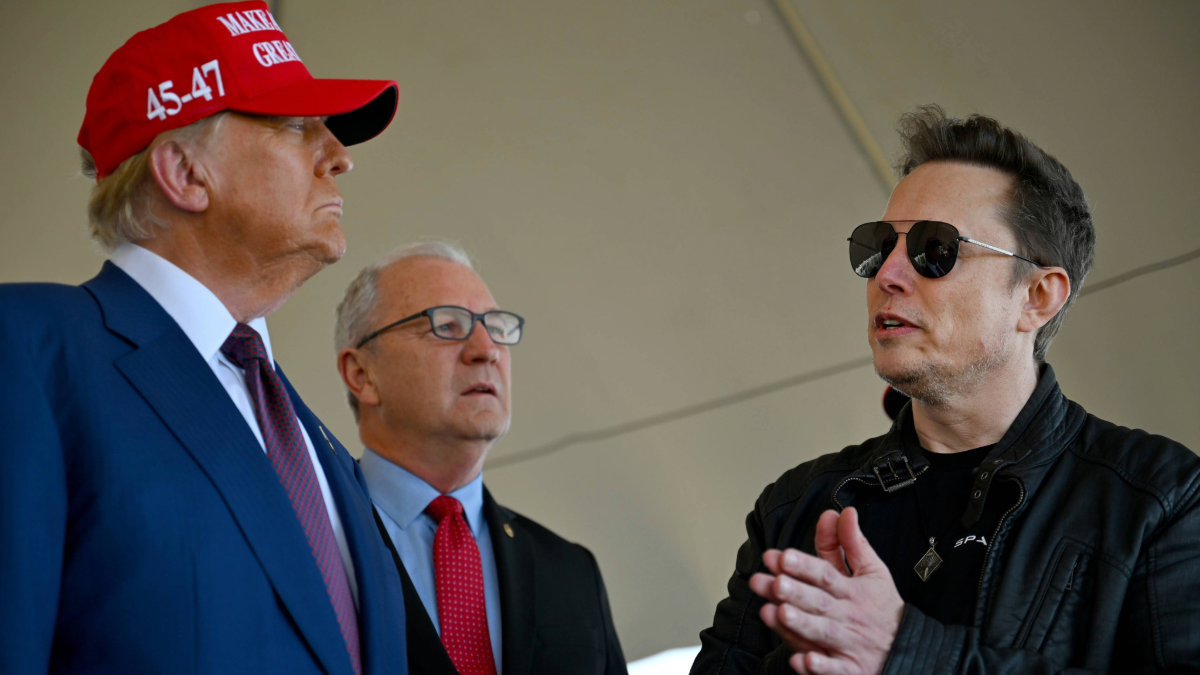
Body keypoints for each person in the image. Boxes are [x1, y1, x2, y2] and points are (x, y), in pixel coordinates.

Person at [691, 106, 1200, 674]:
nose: (888, 274)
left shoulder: (1160, 500)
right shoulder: (796, 508)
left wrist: (903, 652)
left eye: (936, 250)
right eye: (879, 246)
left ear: (1037, 297)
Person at [0, 3, 407, 673]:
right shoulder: (29, 350)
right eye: (296, 126)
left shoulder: (318, 443)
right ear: (185, 174)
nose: (338, 157)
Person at [335, 242, 628, 675]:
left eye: (496, 327)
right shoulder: (309, 542)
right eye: (447, 325)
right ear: (363, 374)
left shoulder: (571, 571)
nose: (486, 349)